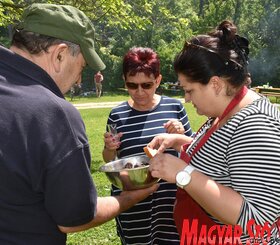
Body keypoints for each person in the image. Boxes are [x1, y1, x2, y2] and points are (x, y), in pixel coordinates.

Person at [0, 4, 158, 245]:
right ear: (60, 55)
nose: (78, 79)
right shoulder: (53, 114)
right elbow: (73, 218)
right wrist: (131, 197)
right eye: (81, 67)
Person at [148, 20, 280, 244]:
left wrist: (184, 174)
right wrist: (180, 141)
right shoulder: (226, 112)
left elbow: (258, 220)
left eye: (190, 90)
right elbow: (228, 158)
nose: (187, 99)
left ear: (216, 84)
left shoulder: (255, 124)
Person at [102, 47, 194, 244]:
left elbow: (193, 153)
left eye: (147, 84)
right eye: (132, 85)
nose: (140, 92)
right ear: (124, 81)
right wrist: (109, 149)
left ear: (158, 80)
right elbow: (111, 161)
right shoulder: (117, 114)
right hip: (133, 203)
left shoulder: (174, 107)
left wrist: (180, 136)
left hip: (169, 200)